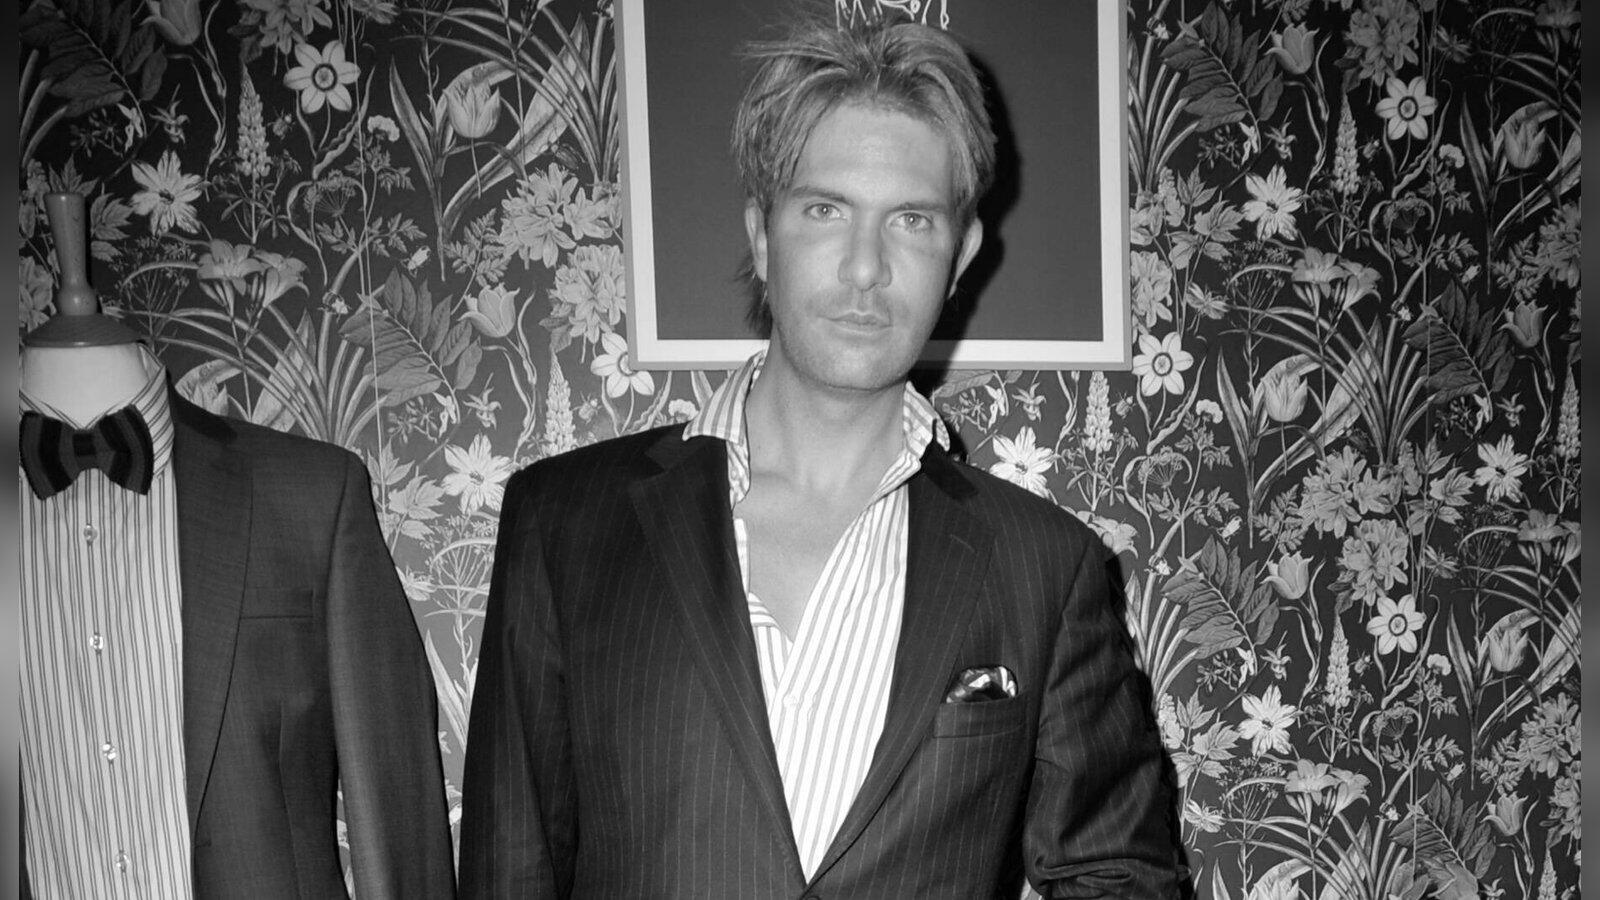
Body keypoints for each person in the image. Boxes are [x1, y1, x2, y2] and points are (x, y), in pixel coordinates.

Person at [460, 12, 1182, 898]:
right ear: (763, 237)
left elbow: (1121, 878)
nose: (865, 267)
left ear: (960, 255)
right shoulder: (565, 524)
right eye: (825, 209)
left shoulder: (1047, 569)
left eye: (911, 220)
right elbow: (510, 869)